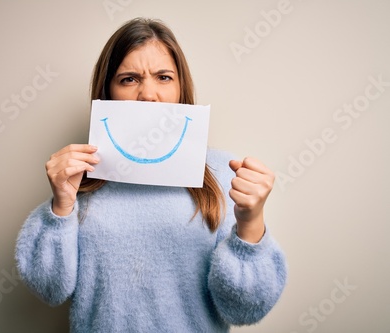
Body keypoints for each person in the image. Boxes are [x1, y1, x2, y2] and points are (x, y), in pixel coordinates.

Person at [15, 17, 287, 332]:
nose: (148, 94)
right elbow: (49, 288)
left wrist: (251, 222)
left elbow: (244, 309)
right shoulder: (79, 177)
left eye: (163, 77)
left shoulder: (225, 176)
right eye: (129, 79)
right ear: (107, 92)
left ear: (181, 87)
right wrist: (60, 206)